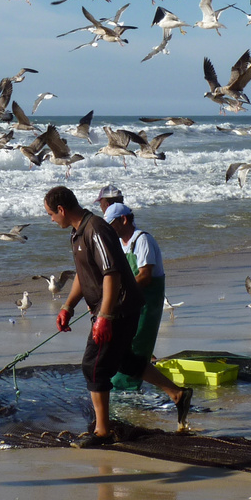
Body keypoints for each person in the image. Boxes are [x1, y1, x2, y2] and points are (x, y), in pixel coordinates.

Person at [43, 185, 143, 447]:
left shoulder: (95, 228)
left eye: (51, 214)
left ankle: (102, 432)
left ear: (62, 210)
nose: (51, 220)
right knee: (122, 359)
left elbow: (112, 274)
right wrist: (68, 306)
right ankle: (178, 394)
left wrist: (105, 317)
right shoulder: (78, 233)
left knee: (93, 366)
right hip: (109, 308)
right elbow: (83, 274)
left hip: (117, 307)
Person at [102, 203, 193, 426]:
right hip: (129, 303)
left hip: (146, 303)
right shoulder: (120, 244)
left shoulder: (142, 240)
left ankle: (129, 397)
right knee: (123, 348)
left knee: (137, 349)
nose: (109, 229)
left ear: (124, 220)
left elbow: (145, 276)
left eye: (112, 223)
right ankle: (127, 395)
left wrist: (117, 294)